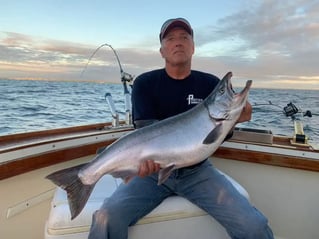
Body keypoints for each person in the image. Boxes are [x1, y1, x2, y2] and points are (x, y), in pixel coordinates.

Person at [88, 17, 274, 239]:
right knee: (106, 217)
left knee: (254, 226)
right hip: (151, 175)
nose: (178, 42)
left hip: (198, 171)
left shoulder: (209, 84)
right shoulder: (145, 84)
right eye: (171, 38)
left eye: (184, 38)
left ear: (193, 47)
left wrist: (233, 120)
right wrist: (140, 162)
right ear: (162, 50)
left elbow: (215, 137)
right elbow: (145, 133)